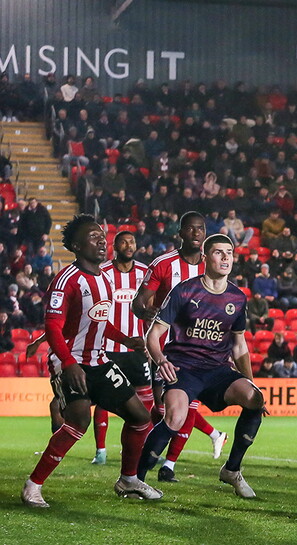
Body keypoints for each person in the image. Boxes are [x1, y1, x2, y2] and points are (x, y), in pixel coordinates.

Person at [22, 215, 162, 508]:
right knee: (79, 420)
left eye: (102, 236)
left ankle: (128, 479)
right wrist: (69, 363)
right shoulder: (66, 281)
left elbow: (98, 322)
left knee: (140, 418)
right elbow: (53, 327)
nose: (101, 241)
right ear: (75, 245)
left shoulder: (106, 278)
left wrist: (125, 339)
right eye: (93, 237)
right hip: (70, 362)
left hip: (99, 361)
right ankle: (33, 486)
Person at [137, 234, 264, 498]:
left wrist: (251, 381)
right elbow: (153, 334)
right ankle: (135, 480)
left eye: (229, 252)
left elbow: (239, 346)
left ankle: (232, 470)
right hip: (183, 367)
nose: (226, 257)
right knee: (174, 417)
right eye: (219, 252)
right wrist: (161, 361)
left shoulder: (238, 298)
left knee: (255, 399)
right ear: (206, 258)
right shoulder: (184, 290)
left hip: (217, 370)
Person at [132, 211, 227, 482]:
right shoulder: (163, 264)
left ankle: (166, 466)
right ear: (181, 233)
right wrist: (152, 316)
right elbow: (139, 303)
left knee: (186, 407)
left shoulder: (213, 265)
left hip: (200, 350)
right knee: (163, 410)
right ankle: (153, 460)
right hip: (164, 349)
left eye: (201, 229)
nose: (197, 233)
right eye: (191, 229)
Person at [91, 231, 153, 466]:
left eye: (132, 242)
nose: (129, 245)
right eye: (124, 242)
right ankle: (101, 450)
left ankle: (140, 448)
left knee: (146, 399)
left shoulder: (144, 273)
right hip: (108, 347)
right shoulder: (103, 272)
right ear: (115, 246)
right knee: (104, 400)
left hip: (137, 349)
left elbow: (150, 306)